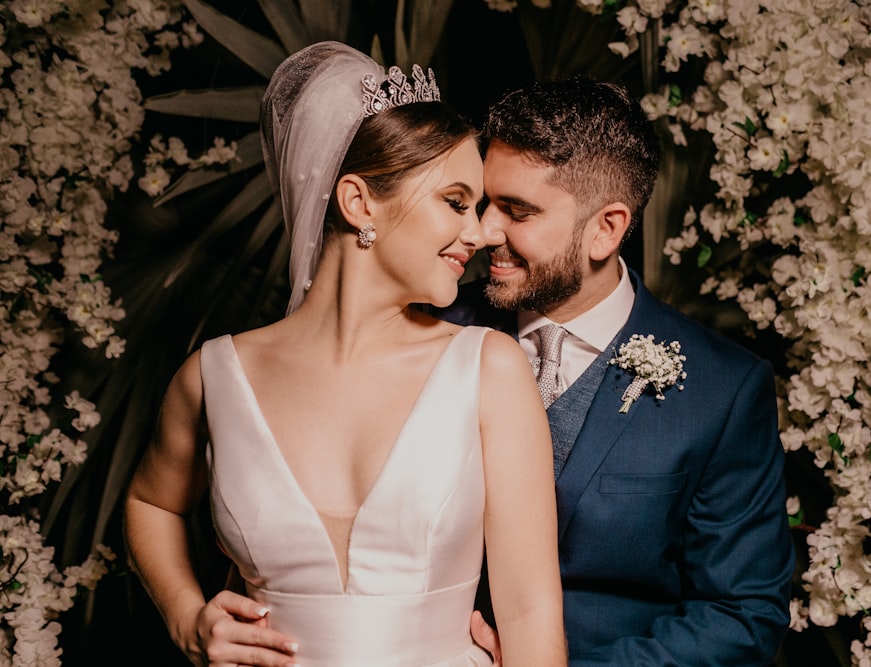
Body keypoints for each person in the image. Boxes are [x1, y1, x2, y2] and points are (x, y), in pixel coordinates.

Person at [124, 41, 566, 667]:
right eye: (456, 201)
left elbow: (529, 610)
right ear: (359, 203)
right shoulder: (212, 377)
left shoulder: (488, 369)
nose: (479, 232)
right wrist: (186, 617)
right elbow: (150, 502)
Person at [439, 76, 795, 665]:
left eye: (516, 211)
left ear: (606, 228)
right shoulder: (429, 328)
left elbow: (742, 612)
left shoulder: (723, 389)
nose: (482, 233)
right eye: (482, 201)